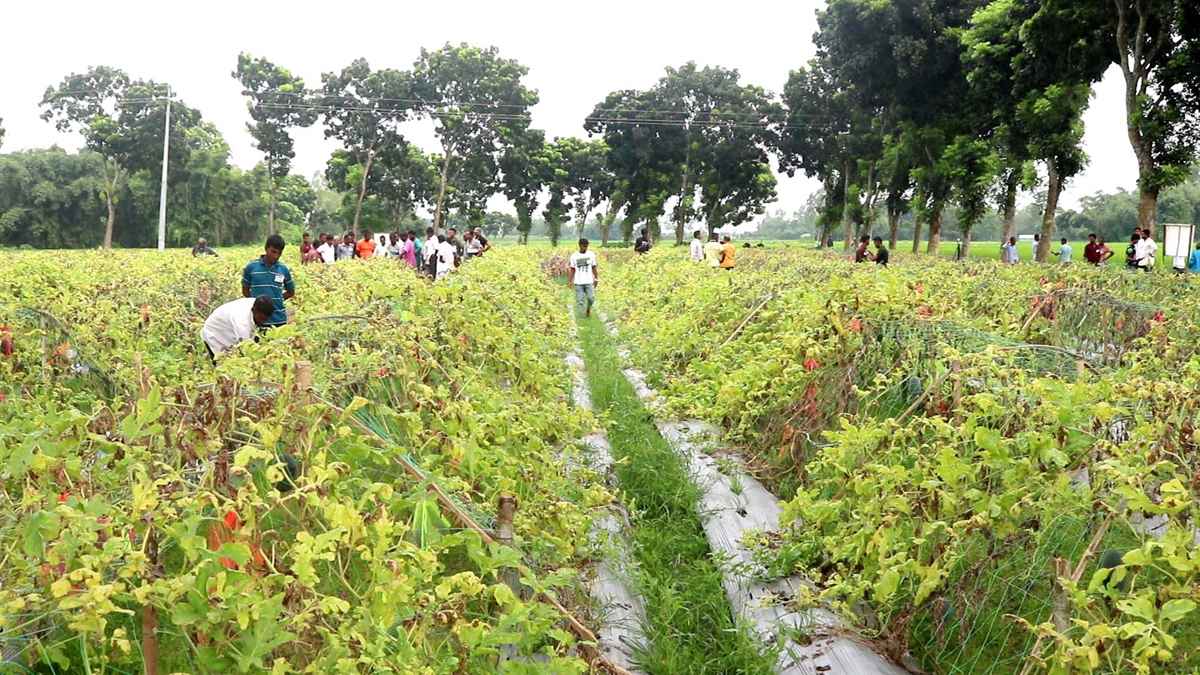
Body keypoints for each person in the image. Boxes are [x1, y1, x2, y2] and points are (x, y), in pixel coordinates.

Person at [201, 295, 276, 363]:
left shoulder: (257, 304)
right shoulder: (242, 322)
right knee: (223, 364)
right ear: (254, 310)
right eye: (261, 318)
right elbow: (246, 349)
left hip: (228, 329)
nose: (263, 322)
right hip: (214, 334)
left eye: (265, 319)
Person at [241, 234, 294, 328]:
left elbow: (291, 292)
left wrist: (276, 299)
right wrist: (257, 304)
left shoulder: (283, 269)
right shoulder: (251, 267)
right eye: (273, 252)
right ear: (266, 248)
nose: (276, 256)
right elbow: (245, 290)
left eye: (279, 253)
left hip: (279, 319)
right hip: (258, 320)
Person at [568, 238, 598, 317]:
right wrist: (570, 281)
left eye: (586, 246)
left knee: (591, 298)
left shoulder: (591, 255)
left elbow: (594, 267)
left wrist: (596, 278)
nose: (585, 248)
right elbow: (572, 269)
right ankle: (583, 315)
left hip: (589, 281)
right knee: (580, 301)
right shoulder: (574, 256)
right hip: (578, 282)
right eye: (584, 246)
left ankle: (588, 309)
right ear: (580, 245)